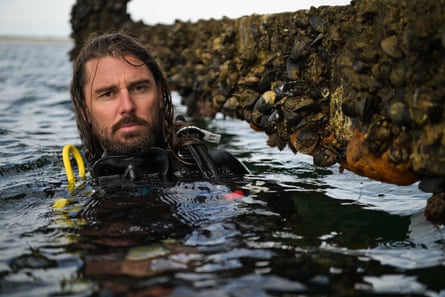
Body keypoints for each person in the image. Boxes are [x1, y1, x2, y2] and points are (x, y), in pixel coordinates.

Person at [70, 32, 248, 186]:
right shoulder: (68, 183)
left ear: (161, 96)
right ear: (85, 112)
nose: (127, 106)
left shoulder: (219, 168)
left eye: (139, 88)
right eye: (107, 94)